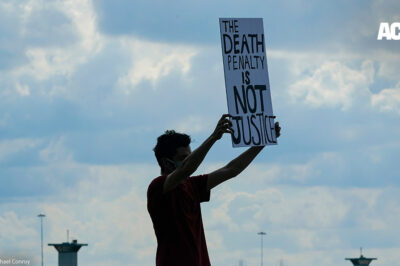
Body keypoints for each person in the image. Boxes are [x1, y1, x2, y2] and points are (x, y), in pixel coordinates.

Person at [147, 114, 281, 266]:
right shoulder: (157, 187)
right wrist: (213, 138)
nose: (190, 160)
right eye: (184, 157)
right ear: (166, 162)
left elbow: (232, 169)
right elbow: (187, 168)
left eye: (190, 156)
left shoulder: (192, 185)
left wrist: (263, 142)